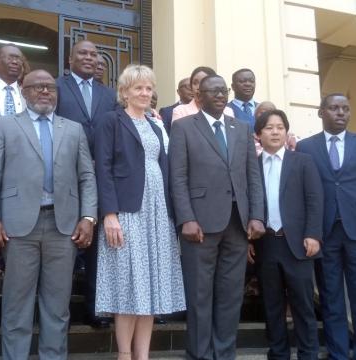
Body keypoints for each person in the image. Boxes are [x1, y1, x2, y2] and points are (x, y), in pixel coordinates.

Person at [0, 69, 97, 360]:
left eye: (50, 88)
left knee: (57, 307)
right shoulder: (4, 126)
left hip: (63, 226)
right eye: (38, 87)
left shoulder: (73, 129)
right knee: (17, 305)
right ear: (23, 92)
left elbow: (87, 177)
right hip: (18, 228)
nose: (45, 92)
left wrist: (89, 217)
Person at [169, 74, 265, 360]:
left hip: (237, 223)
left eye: (224, 91)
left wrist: (257, 216)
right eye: (214, 91)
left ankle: (224, 353)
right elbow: (177, 177)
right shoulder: (183, 127)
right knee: (199, 295)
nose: (221, 95)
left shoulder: (242, 128)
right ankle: (200, 354)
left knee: (231, 293)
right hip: (199, 223)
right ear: (199, 97)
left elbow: (253, 178)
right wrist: (186, 217)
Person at [95, 64, 185, 360]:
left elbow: (166, 164)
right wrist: (110, 213)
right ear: (124, 92)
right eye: (138, 88)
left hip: (158, 212)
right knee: (128, 285)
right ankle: (124, 354)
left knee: (151, 286)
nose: (145, 93)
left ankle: (142, 356)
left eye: (148, 88)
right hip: (128, 210)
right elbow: (103, 169)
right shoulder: (111, 121)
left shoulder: (156, 124)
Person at [249, 109, 323, 359]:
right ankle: (278, 353)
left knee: (303, 305)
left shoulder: (302, 162)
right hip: (266, 244)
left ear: (286, 131)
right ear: (258, 134)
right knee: (272, 305)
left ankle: (308, 353)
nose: (275, 131)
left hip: (298, 244)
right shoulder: (252, 166)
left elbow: (314, 200)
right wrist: (248, 238)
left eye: (280, 127)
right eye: (269, 127)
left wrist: (313, 234)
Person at [55, 39, 117, 328]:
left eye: (94, 53)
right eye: (83, 53)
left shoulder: (109, 94)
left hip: (100, 178)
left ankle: (95, 310)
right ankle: (59, 314)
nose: (90, 58)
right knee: (62, 248)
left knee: (96, 250)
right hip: (63, 177)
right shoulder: (56, 87)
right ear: (70, 59)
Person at [296, 93, 356, 360]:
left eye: (345, 108)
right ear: (321, 112)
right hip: (324, 233)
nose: (341, 113)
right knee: (331, 298)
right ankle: (338, 354)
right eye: (334, 108)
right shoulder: (305, 147)